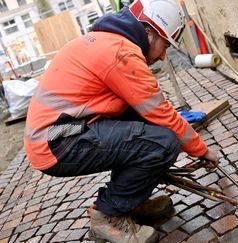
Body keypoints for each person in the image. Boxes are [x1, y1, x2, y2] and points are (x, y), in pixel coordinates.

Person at [24, 0, 218, 242]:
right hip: (56, 140)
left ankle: (129, 204)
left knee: (144, 129)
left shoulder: (107, 41)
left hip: (57, 133)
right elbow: (162, 114)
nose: (162, 56)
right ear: (148, 33)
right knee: (163, 142)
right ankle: (108, 216)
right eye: (164, 45)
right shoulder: (121, 52)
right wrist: (202, 150)